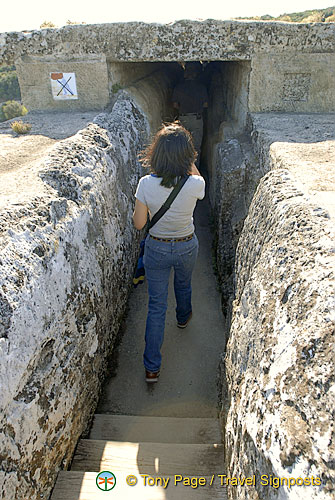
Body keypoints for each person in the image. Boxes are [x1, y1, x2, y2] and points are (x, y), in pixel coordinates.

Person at [132, 122, 205, 383]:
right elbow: (195, 178)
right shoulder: (196, 184)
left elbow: (140, 223)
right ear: (188, 156)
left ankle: (152, 366)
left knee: (156, 305)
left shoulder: (145, 184)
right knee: (184, 286)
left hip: (157, 247)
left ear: (156, 153)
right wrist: (188, 161)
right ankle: (183, 317)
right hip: (186, 244)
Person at [172, 63, 208, 166]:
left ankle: (183, 170)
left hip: (183, 118)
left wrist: (183, 108)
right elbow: (205, 104)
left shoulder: (179, 87)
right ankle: (196, 172)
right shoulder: (201, 87)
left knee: (182, 146)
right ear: (196, 74)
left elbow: (175, 105)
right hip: (197, 119)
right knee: (195, 147)